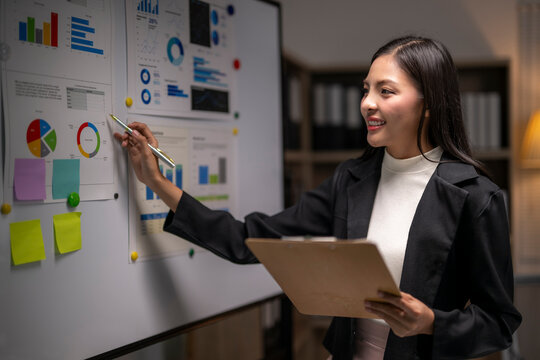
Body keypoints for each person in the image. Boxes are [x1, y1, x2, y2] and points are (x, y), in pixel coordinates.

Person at [114, 36, 521, 359]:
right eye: (366, 90)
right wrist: (157, 183)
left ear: (428, 104)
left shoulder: (475, 196)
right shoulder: (350, 179)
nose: (367, 104)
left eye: (386, 91)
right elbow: (248, 240)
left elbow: (499, 322)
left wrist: (431, 322)